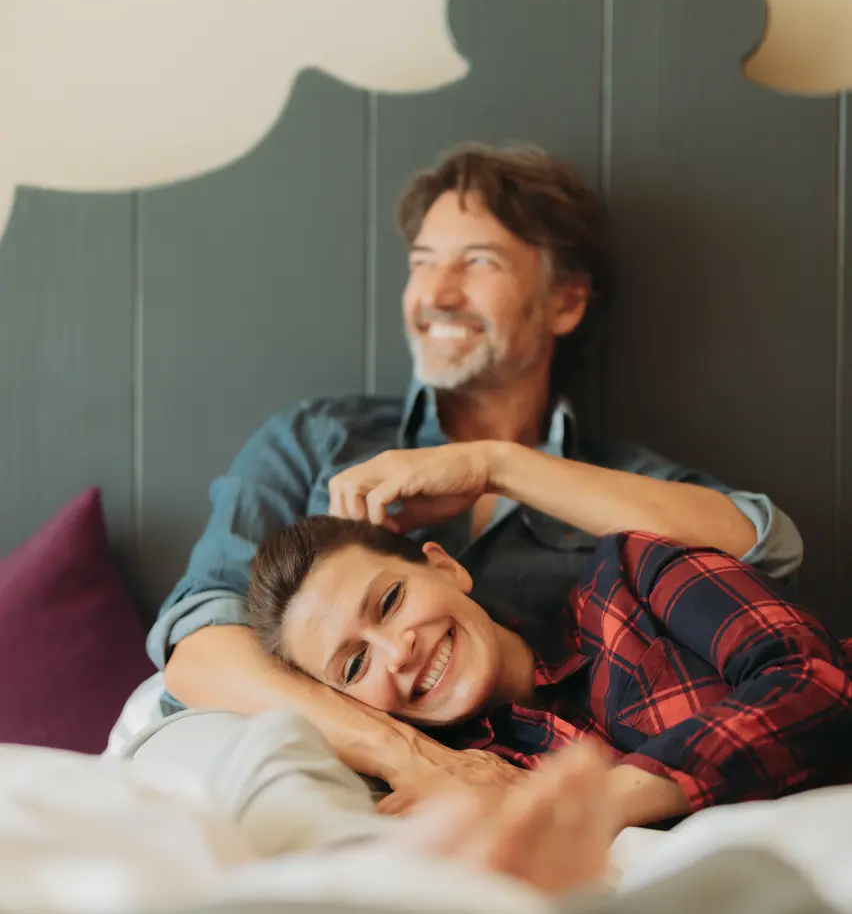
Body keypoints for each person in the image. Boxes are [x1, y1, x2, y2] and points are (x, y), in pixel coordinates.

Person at [149, 144, 804, 802]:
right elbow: (199, 655)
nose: (436, 293)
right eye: (423, 263)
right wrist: (414, 759)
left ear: (565, 303)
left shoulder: (619, 482)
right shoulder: (314, 440)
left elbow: (766, 547)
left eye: (478, 262)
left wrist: (497, 465)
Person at [247, 500, 852, 831]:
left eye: (390, 601)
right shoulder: (470, 785)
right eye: (355, 666)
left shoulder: (632, 576)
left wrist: (585, 805)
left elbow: (817, 681)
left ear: (444, 567)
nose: (397, 651)